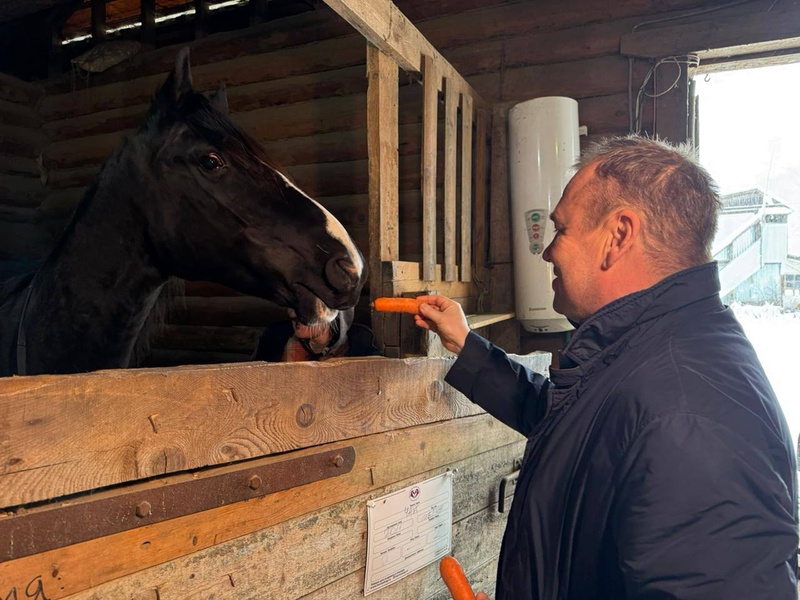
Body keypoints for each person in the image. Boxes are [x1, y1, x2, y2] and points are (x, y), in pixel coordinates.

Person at [416, 135, 798, 599]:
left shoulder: (691, 413)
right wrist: (466, 345)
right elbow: (578, 435)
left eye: (562, 229)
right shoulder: (652, 351)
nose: (547, 252)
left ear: (618, 235)